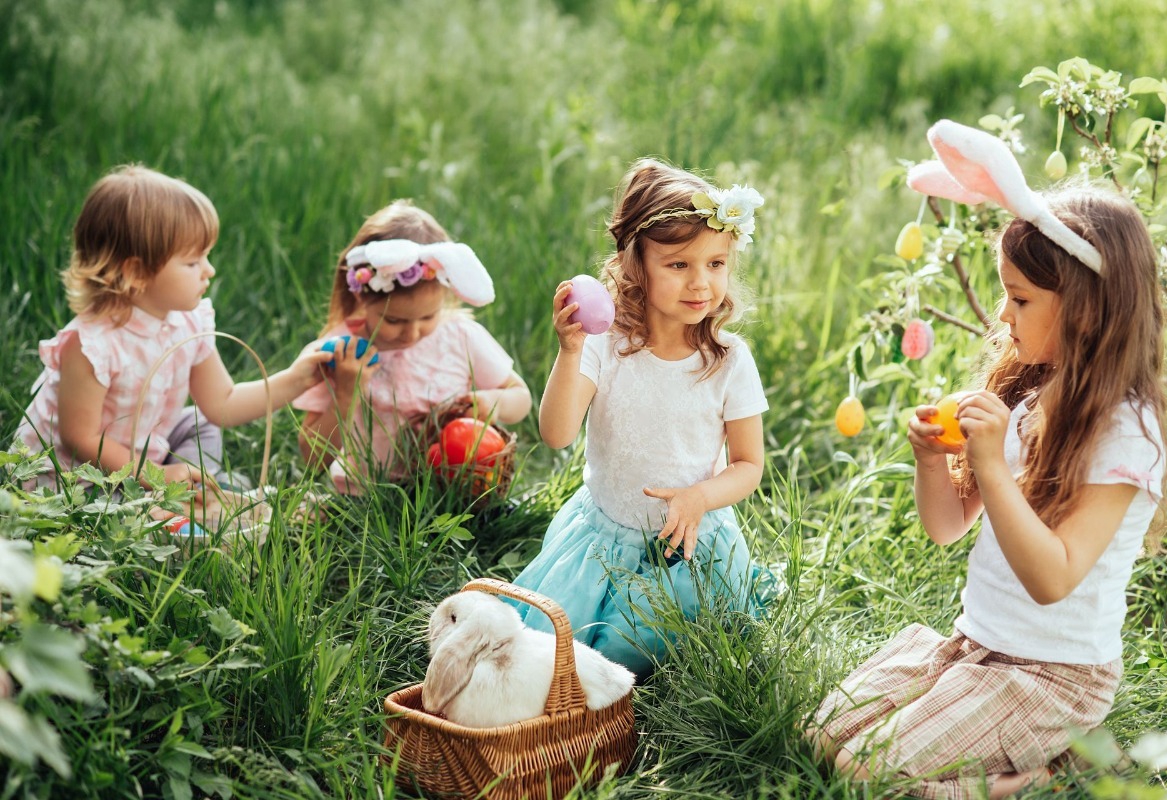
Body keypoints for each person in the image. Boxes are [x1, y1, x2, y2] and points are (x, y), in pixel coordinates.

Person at [810, 120, 1167, 800]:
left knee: (869, 778)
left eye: (1021, 300)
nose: (1004, 318)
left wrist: (994, 465)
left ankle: (1050, 772)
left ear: (1087, 311)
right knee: (821, 737)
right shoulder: (1025, 389)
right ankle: (993, 740)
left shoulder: (1126, 434)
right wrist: (931, 462)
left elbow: (1053, 579)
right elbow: (948, 527)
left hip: (1053, 676)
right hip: (975, 645)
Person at [512, 158, 770, 676]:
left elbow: (748, 464)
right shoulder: (605, 346)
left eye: (716, 264)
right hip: (605, 537)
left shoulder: (728, 360)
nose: (702, 283)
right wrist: (568, 351)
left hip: (688, 544)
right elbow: (556, 434)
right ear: (636, 266)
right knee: (557, 651)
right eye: (679, 265)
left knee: (665, 657)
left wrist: (700, 496)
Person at [12, 165, 329, 488]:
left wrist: (295, 379)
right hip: (80, 477)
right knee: (120, 514)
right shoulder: (92, 344)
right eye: (193, 262)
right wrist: (155, 475)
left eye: (206, 257)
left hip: (144, 449)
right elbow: (81, 437)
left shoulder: (188, 321)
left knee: (200, 422)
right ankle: (171, 499)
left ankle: (187, 488)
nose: (210, 270)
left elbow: (223, 403)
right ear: (136, 273)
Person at [295, 200, 531, 493]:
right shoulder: (340, 351)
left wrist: (494, 402)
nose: (412, 333)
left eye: (428, 316)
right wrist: (345, 392)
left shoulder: (460, 335)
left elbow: (521, 397)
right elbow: (313, 458)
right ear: (360, 297)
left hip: (453, 493)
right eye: (393, 319)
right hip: (365, 497)